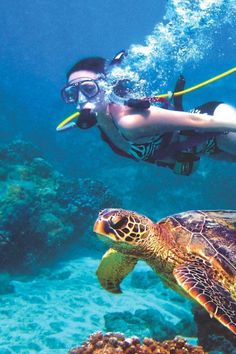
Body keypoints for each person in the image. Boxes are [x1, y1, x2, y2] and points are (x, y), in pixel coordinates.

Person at [60, 52, 236, 175]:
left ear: (106, 86)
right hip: (208, 148)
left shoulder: (129, 121)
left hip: (216, 127)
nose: (81, 98)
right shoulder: (102, 122)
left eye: (88, 88)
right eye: (71, 93)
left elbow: (196, 120)